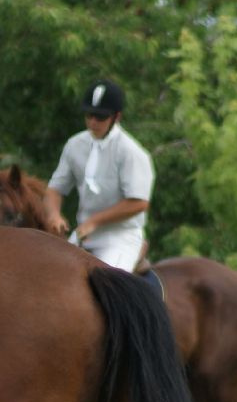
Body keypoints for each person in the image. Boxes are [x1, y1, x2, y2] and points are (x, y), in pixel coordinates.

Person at [42, 78, 154, 273]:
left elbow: (139, 203)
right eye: (89, 115)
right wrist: (54, 215)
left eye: (100, 117)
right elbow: (55, 189)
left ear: (116, 117)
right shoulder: (74, 145)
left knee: (109, 283)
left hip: (120, 238)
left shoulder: (131, 152)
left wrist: (94, 221)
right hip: (82, 235)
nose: (93, 122)